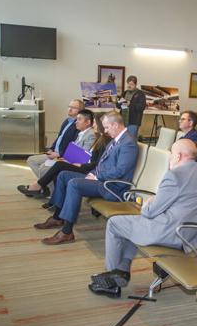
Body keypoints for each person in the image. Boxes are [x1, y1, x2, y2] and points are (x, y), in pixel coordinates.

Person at [89, 139, 197, 297]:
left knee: (115, 223)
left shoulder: (175, 176)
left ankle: (111, 280)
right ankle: (122, 270)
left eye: (171, 155)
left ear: (179, 156)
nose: (170, 158)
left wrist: (148, 203)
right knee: (131, 225)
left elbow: (149, 212)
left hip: (168, 232)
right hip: (188, 235)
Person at [35, 111, 138, 244]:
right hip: (102, 180)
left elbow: (120, 170)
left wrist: (97, 176)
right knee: (63, 175)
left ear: (115, 125)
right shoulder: (117, 140)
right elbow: (102, 163)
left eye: (107, 127)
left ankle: (66, 232)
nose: (105, 131)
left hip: (112, 187)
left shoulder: (128, 143)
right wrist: (93, 173)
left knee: (74, 184)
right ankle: (57, 217)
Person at [19, 115, 111, 199]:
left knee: (59, 166)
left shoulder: (102, 140)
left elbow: (95, 162)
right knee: (55, 167)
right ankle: (50, 195)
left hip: (87, 168)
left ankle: (39, 186)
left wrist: (77, 163)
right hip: (83, 163)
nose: (93, 125)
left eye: (94, 123)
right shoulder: (99, 137)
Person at [26, 99, 83, 179]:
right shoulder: (67, 121)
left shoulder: (79, 125)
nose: (70, 109)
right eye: (69, 106)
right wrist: (51, 148)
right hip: (54, 152)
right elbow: (59, 137)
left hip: (62, 156)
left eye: (74, 107)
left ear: (80, 111)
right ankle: (45, 184)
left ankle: (43, 185)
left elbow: (74, 145)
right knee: (31, 160)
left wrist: (59, 154)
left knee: (43, 168)